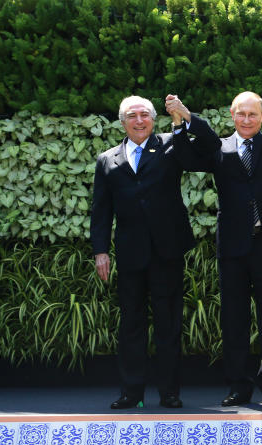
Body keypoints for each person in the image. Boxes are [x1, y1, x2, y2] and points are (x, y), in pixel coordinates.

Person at [164, 56, 262, 407]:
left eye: (253, 114)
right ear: (232, 115)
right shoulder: (219, 149)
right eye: (241, 114)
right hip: (232, 246)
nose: (246, 119)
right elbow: (182, 155)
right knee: (234, 318)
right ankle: (238, 385)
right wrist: (182, 123)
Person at [91, 95, 195, 409]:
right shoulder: (107, 159)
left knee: (168, 324)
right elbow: (101, 209)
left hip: (167, 251)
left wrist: (182, 117)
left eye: (145, 115)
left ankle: (169, 392)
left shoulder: (170, 145)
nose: (139, 121)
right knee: (131, 325)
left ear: (153, 119)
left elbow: (196, 152)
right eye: (133, 116)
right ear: (123, 122)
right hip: (130, 252)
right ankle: (131, 392)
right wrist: (101, 251)